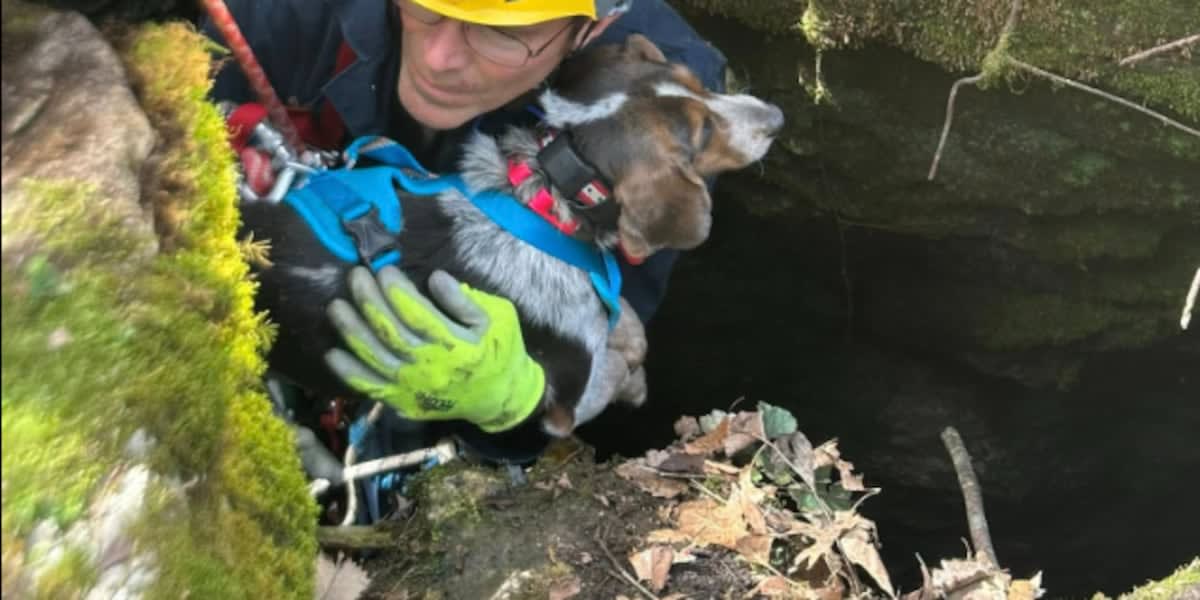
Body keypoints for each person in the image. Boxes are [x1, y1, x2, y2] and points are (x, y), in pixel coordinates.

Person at [202, 0, 727, 457]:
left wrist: (515, 404)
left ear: (589, 30)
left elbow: (561, 391)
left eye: (503, 33)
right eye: (427, 6)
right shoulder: (283, 12)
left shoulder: (652, 120)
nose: (438, 58)